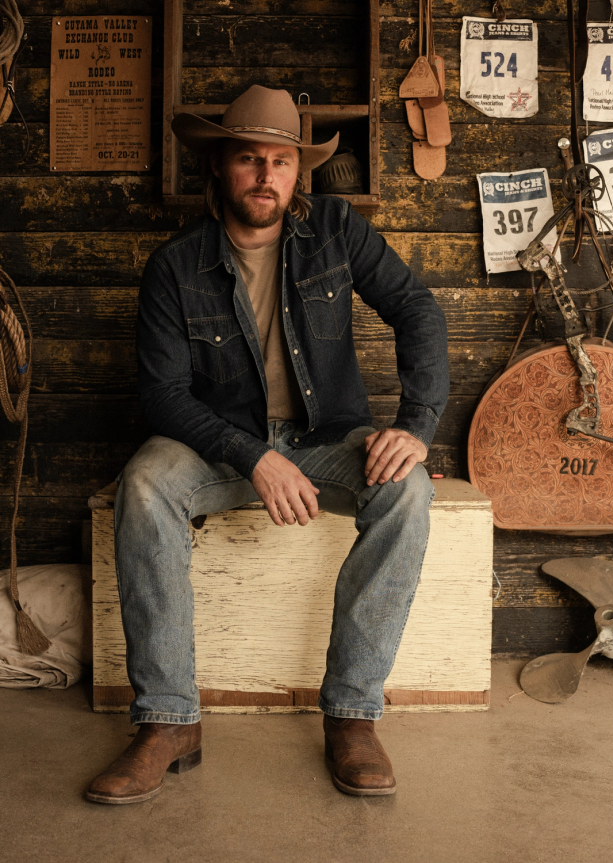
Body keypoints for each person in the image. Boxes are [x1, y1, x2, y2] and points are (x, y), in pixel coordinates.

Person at [86, 86, 449, 804]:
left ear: (297, 172)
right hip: (217, 447)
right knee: (144, 483)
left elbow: (417, 309)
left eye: (281, 161)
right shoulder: (175, 266)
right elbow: (162, 397)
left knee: (408, 489)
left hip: (324, 439)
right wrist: (252, 453)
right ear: (219, 167)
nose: (266, 175)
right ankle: (168, 720)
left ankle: (351, 713)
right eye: (249, 159)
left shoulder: (337, 231)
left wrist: (417, 423)